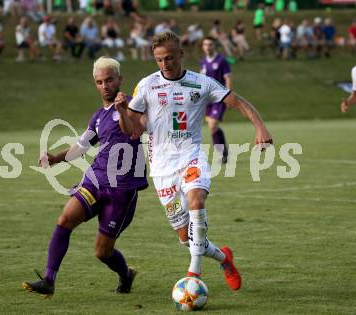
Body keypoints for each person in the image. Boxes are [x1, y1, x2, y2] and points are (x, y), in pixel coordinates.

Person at [116, 31, 272, 290]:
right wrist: (123, 112)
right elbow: (132, 129)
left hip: (191, 156)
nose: (165, 64)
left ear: (181, 54)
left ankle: (194, 274)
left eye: (169, 58)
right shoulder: (146, 85)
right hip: (162, 167)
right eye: (159, 60)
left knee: (197, 200)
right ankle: (224, 258)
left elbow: (238, 102)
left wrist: (260, 128)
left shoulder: (202, 83)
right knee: (185, 237)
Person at [23, 56, 148, 297]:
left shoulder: (134, 106)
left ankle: (126, 274)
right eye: (100, 81)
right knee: (65, 219)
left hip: (122, 188)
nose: (105, 85)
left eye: (109, 80)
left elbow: (133, 130)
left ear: (120, 79)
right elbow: (82, 146)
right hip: (96, 179)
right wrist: (56, 158)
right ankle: (49, 279)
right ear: (96, 84)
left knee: (102, 252)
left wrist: (122, 111)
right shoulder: (98, 116)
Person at [199, 36, 232, 163]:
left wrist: (228, 96)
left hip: (219, 98)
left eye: (210, 44)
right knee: (212, 126)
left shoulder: (222, 60)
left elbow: (228, 78)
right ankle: (223, 152)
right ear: (203, 47)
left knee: (212, 125)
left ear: (214, 46)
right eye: (205, 44)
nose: (208, 47)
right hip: (207, 100)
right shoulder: (202, 62)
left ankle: (221, 153)